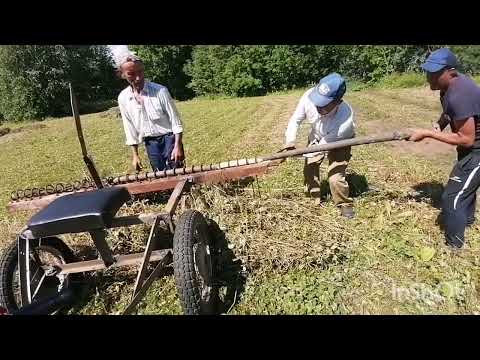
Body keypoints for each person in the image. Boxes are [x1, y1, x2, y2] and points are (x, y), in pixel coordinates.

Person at [409, 48, 480, 249]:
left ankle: (454, 247)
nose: (429, 77)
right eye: (428, 71)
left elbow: (466, 139)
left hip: (477, 151)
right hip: (472, 148)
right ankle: (467, 222)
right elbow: (449, 112)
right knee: (466, 188)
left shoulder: (460, 94)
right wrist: (440, 124)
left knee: (451, 198)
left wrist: (428, 133)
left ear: (451, 72)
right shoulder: (447, 87)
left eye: (434, 73)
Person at [282, 73, 356, 218]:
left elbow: (320, 148)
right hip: (317, 136)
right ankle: (313, 198)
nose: (318, 107)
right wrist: (290, 142)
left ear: (338, 102)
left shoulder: (345, 121)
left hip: (340, 141)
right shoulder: (309, 96)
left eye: (324, 105)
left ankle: (344, 204)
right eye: (317, 101)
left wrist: (299, 154)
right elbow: (295, 120)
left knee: (335, 176)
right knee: (309, 168)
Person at [110, 46, 185, 172]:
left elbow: (175, 121)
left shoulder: (160, 91)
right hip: (150, 143)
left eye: (140, 72)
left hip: (169, 138)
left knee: (176, 172)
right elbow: (129, 128)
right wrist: (135, 155)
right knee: (159, 175)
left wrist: (177, 146)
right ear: (122, 75)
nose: (138, 78)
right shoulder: (123, 98)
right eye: (131, 74)